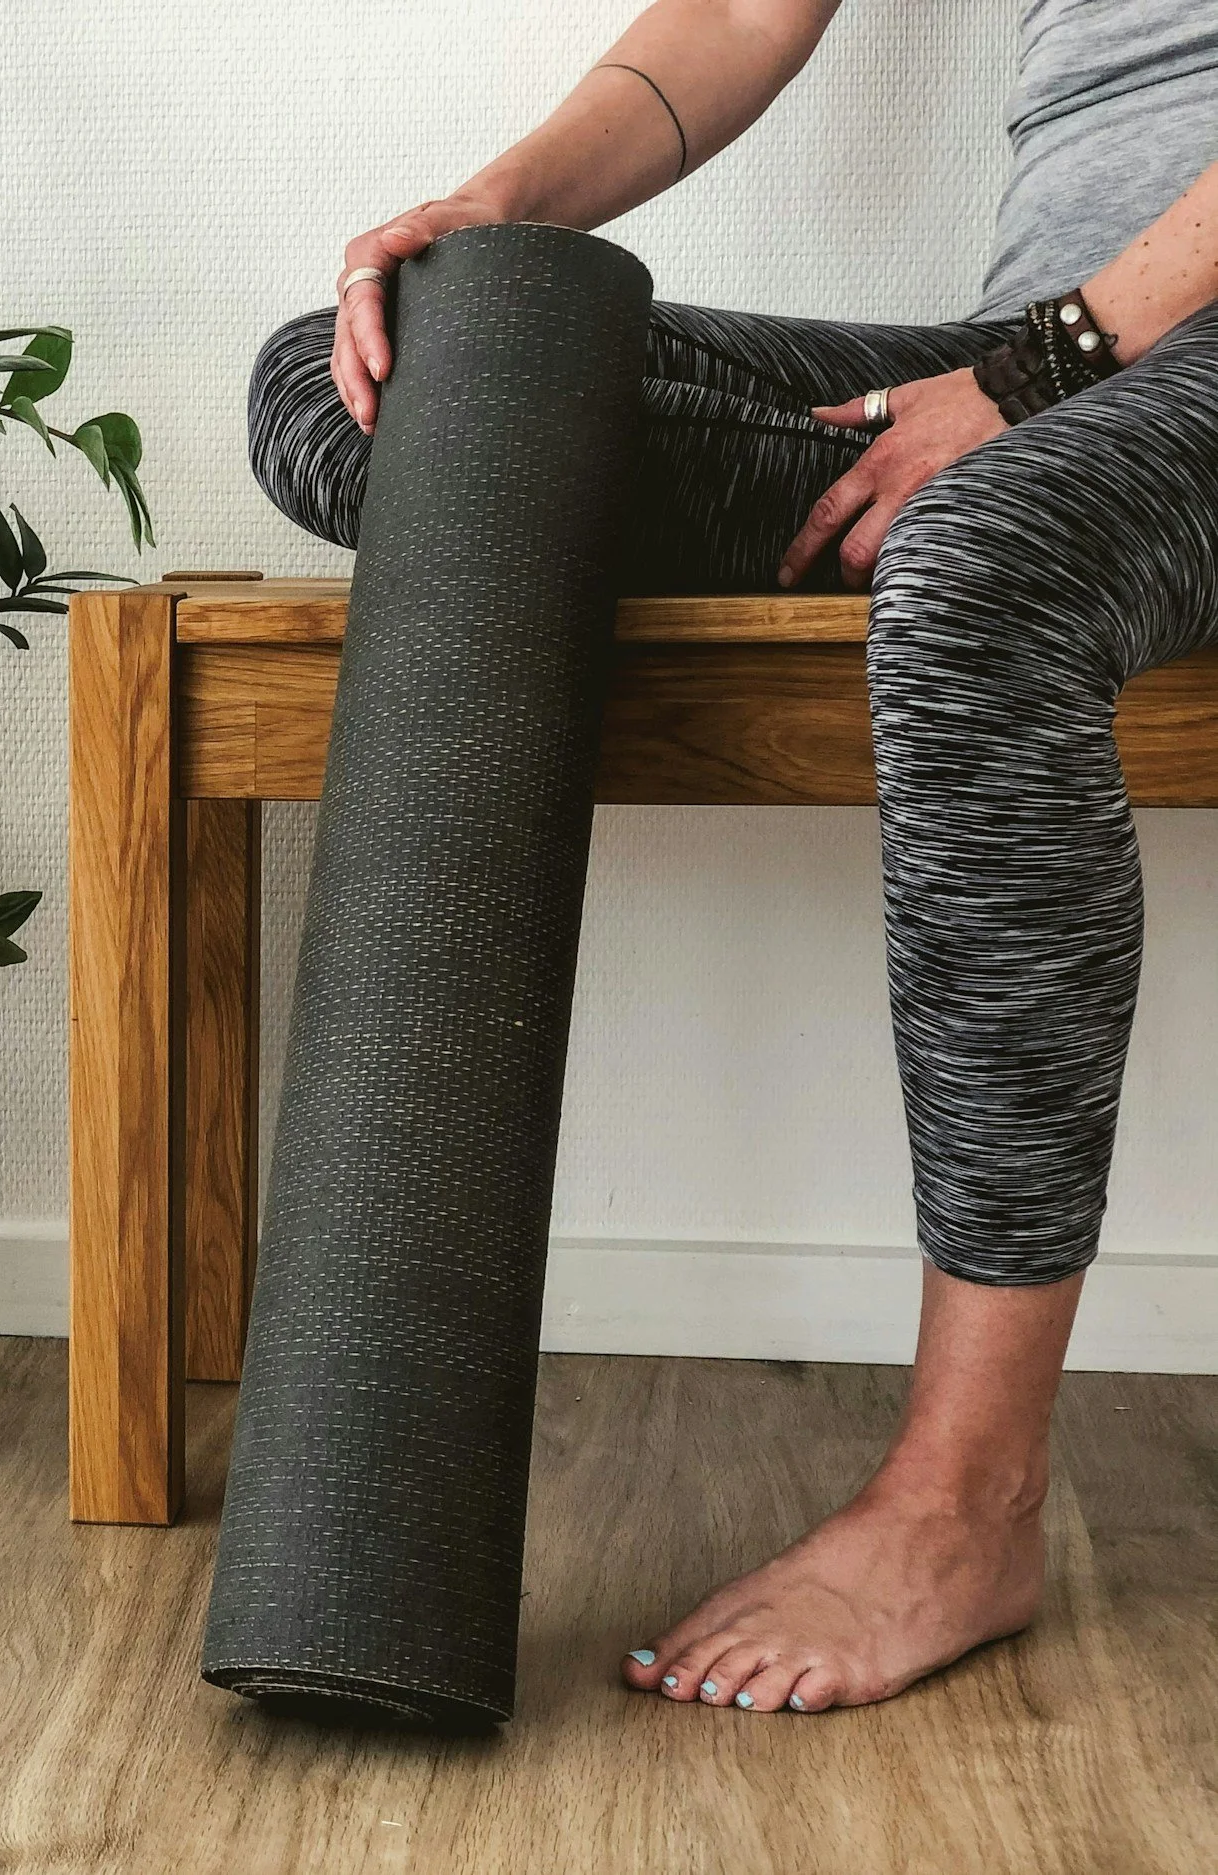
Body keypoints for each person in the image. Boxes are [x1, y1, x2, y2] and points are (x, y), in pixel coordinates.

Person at [250, 0, 1218, 1715]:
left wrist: (1044, 371)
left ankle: (966, 1501)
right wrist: (509, 211)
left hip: (1088, 364)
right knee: (399, 379)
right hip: (1054, 362)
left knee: (981, 569)